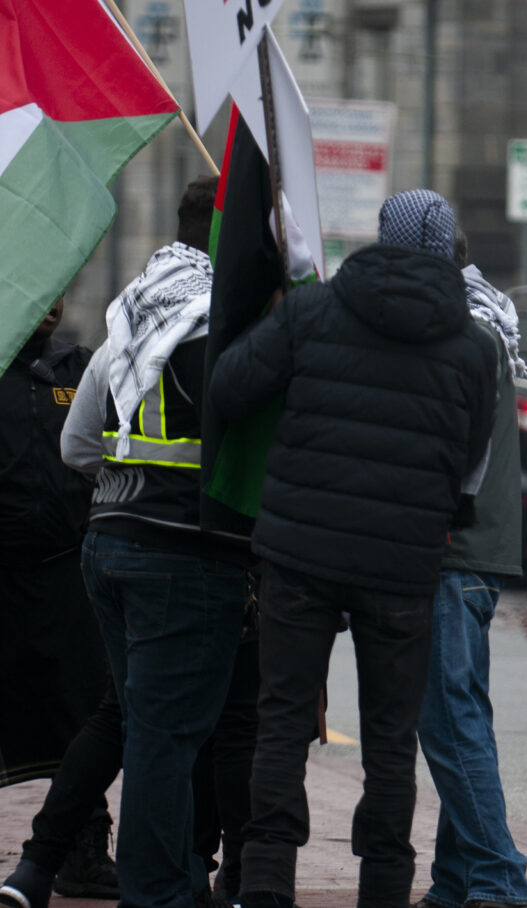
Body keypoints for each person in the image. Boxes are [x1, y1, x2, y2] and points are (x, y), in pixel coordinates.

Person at [208, 189, 497, 908]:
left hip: (298, 555)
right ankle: (384, 890)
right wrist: (444, 512)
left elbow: (229, 389)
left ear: (379, 237)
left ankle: (268, 883)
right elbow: (473, 463)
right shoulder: (472, 344)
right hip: (402, 566)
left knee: (280, 723)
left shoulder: (313, 311)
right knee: (390, 741)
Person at [76, 175, 254, 908]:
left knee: (152, 730)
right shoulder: (227, 320)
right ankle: (157, 894)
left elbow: (76, 443)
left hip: (109, 542)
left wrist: (128, 484)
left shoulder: (134, 308)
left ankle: (172, 880)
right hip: (186, 550)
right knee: (167, 740)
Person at [410, 227, 527, 908]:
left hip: (453, 554)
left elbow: (447, 457)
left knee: (451, 722)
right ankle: (456, 880)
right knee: (463, 718)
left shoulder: (460, 336)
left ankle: (498, 878)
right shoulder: (486, 320)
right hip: (476, 554)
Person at [0, 299, 118, 908]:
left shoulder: (77, 368)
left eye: (59, 290)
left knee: (83, 713)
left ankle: (84, 852)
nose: (50, 303)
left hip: (65, 575)